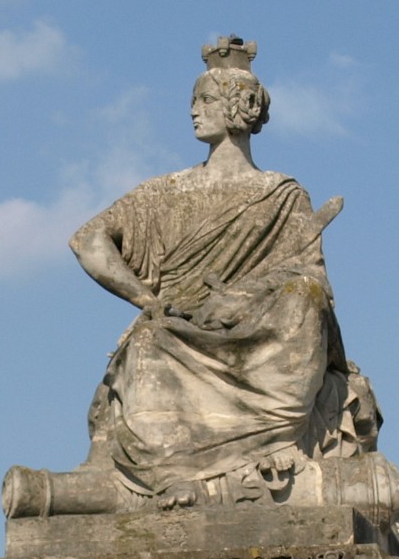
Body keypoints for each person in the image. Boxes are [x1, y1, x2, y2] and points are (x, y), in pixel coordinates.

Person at [69, 35, 379, 510]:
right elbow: (88, 240)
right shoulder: (164, 192)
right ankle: (180, 471)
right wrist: (146, 300)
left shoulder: (282, 195)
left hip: (258, 334)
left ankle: (263, 448)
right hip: (178, 333)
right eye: (194, 101)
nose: (194, 111)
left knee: (303, 298)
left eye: (206, 100)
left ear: (240, 108)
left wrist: (249, 299)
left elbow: (314, 283)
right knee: (149, 343)